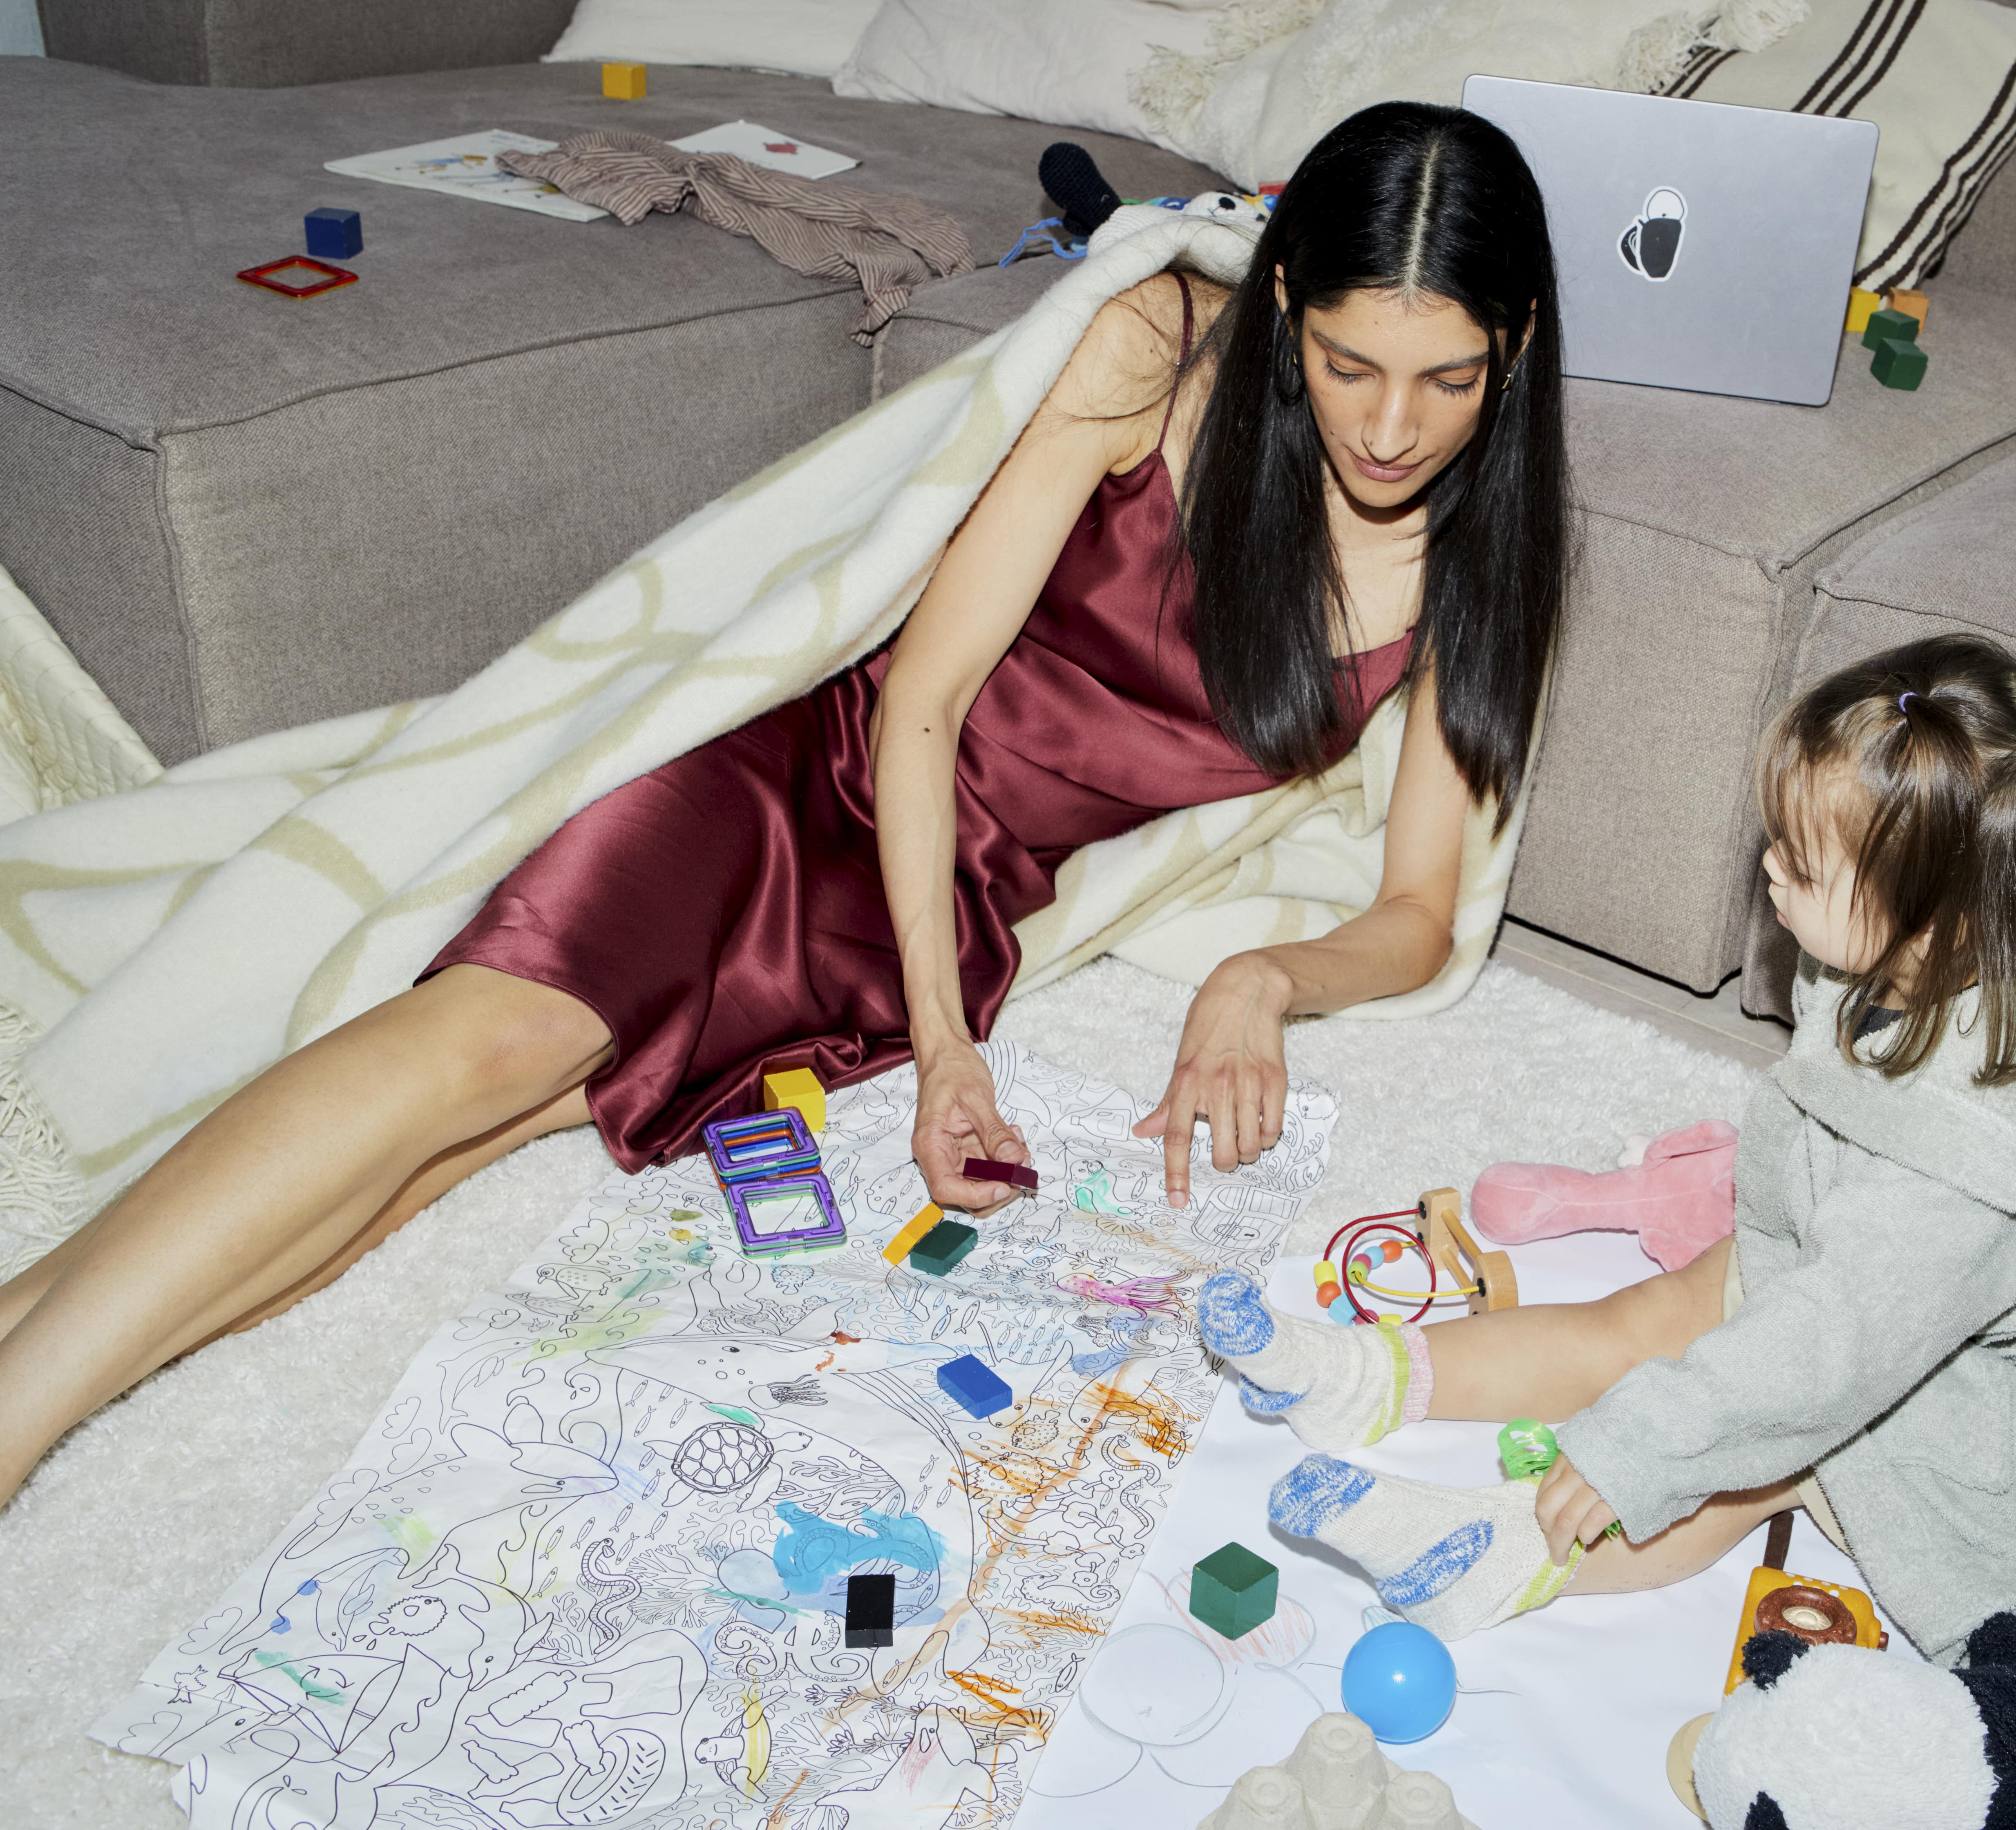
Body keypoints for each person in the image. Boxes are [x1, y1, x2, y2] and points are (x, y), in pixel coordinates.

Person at [0, 100, 1568, 1508]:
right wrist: (953, 1051)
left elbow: (1421, 912)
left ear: (1515, 343)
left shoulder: (1483, 559)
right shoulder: (1153, 351)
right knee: (483, 1041)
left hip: (944, 915)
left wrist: (1263, 979)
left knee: (444, 1155)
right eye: (1350, 363)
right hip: (812, 778)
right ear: (1286, 295)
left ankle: (37, 1338)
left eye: (1445, 380)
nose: (1385, 428)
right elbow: (928, 698)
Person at [1196, 634, 2016, 1663]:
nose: (1769, 864)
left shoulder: (1990, 1151)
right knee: (1661, 1312)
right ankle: (1369, 1374)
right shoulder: (1968, 949)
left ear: (1942, 925)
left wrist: (1644, 1444)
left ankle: (1486, 1556)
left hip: (1992, 1431)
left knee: (1743, 1454)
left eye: (1803, 864)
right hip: (1890, 1281)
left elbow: (1836, 1346)